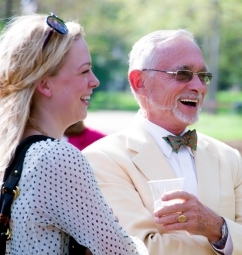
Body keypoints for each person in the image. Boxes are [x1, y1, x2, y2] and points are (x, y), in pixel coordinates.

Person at [83, 29, 242, 255]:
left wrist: (217, 228)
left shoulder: (227, 157)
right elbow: (138, 249)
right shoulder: (102, 159)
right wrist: (233, 242)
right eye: (183, 74)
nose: (199, 86)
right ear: (139, 81)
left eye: (204, 76)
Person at [0, 13, 148, 254]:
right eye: (84, 71)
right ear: (45, 84)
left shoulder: (12, 151)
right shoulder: (55, 157)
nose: (95, 81)